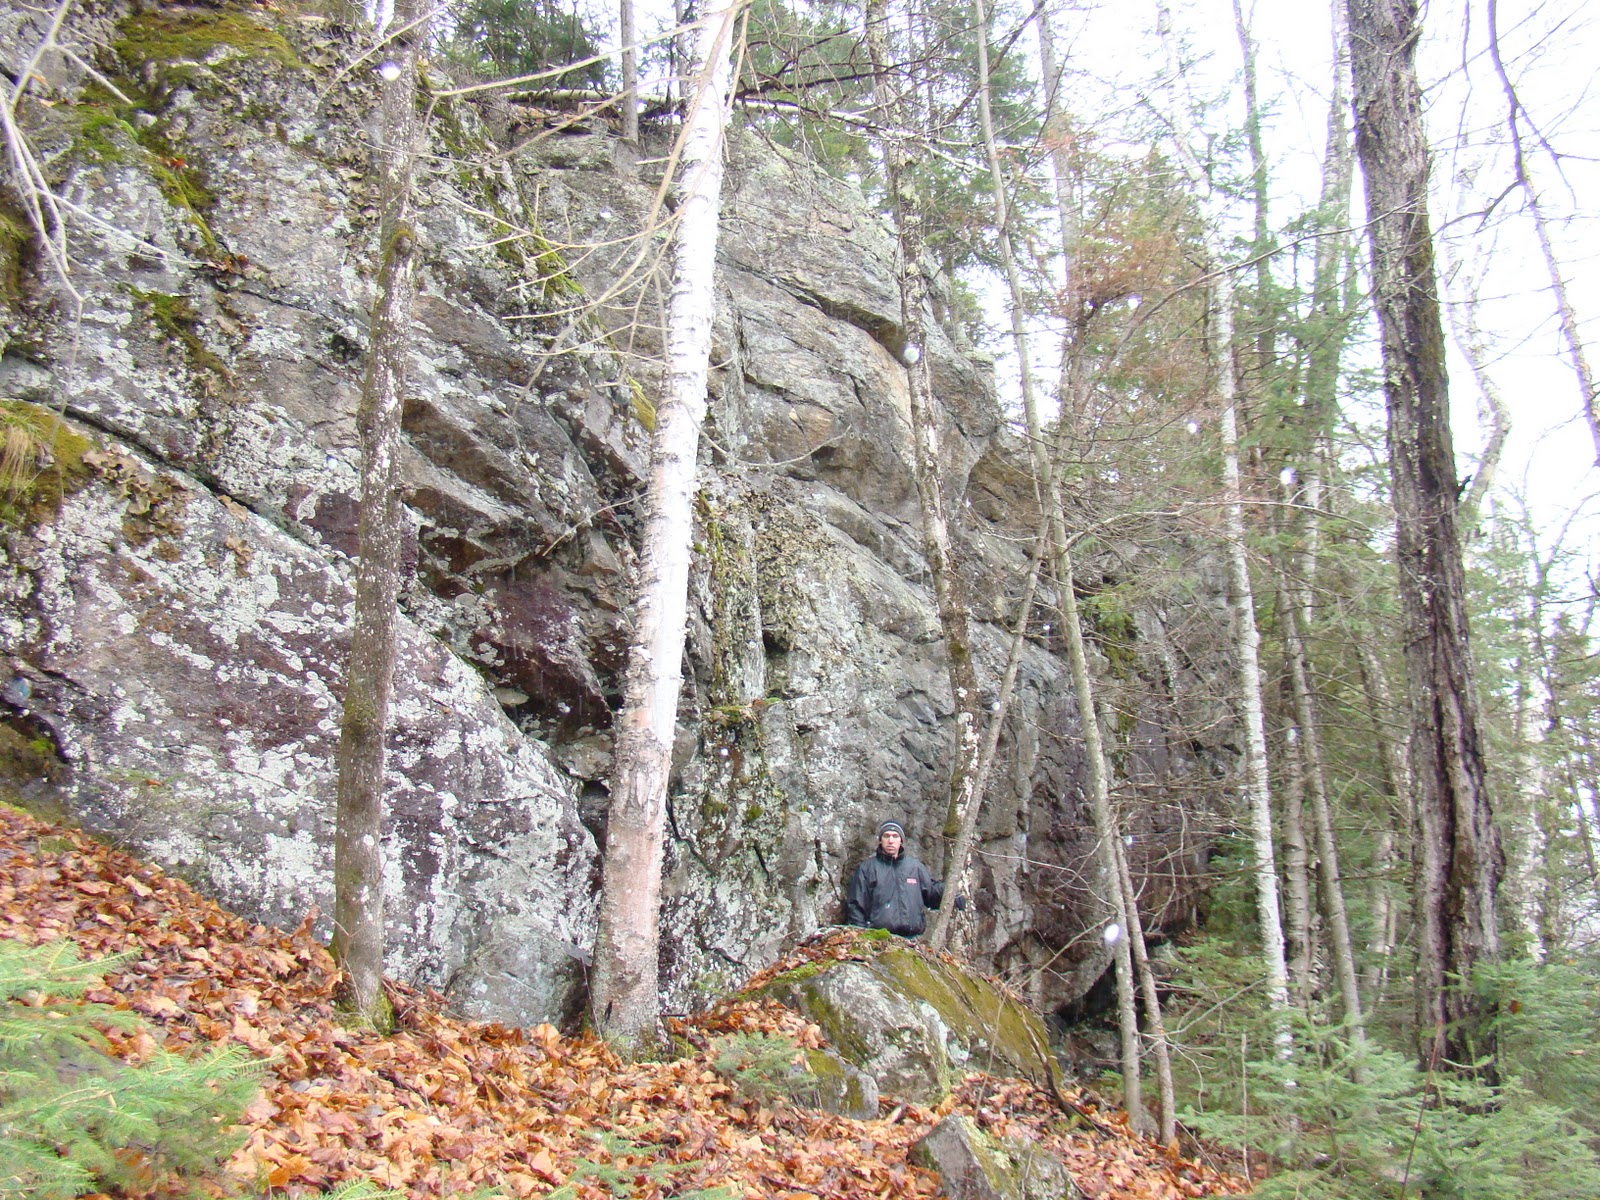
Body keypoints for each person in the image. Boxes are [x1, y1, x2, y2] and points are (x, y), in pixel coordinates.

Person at [845, 820, 963, 937]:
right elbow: (856, 905)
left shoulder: (915, 868)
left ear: (901, 840)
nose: (891, 841)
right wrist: (861, 937)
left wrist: (951, 894)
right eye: (886, 836)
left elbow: (931, 893)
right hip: (878, 939)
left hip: (911, 940)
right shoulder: (867, 869)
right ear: (880, 840)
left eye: (895, 836)